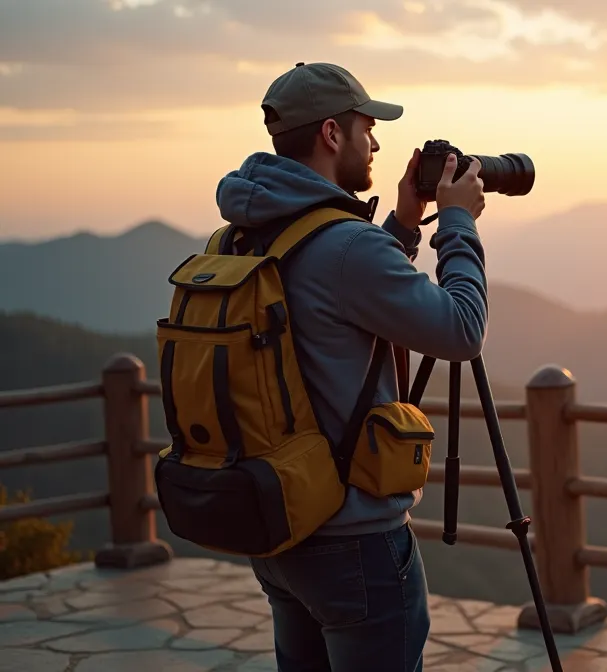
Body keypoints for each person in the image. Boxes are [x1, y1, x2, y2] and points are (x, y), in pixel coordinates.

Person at [212, 61, 489, 671]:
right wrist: (459, 225)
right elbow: (462, 331)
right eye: (367, 128)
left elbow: (335, 293)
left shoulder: (243, 235)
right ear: (332, 134)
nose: (378, 142)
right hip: (353, 542)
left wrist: (406, 225)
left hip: (280, 525)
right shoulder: (345, 246)